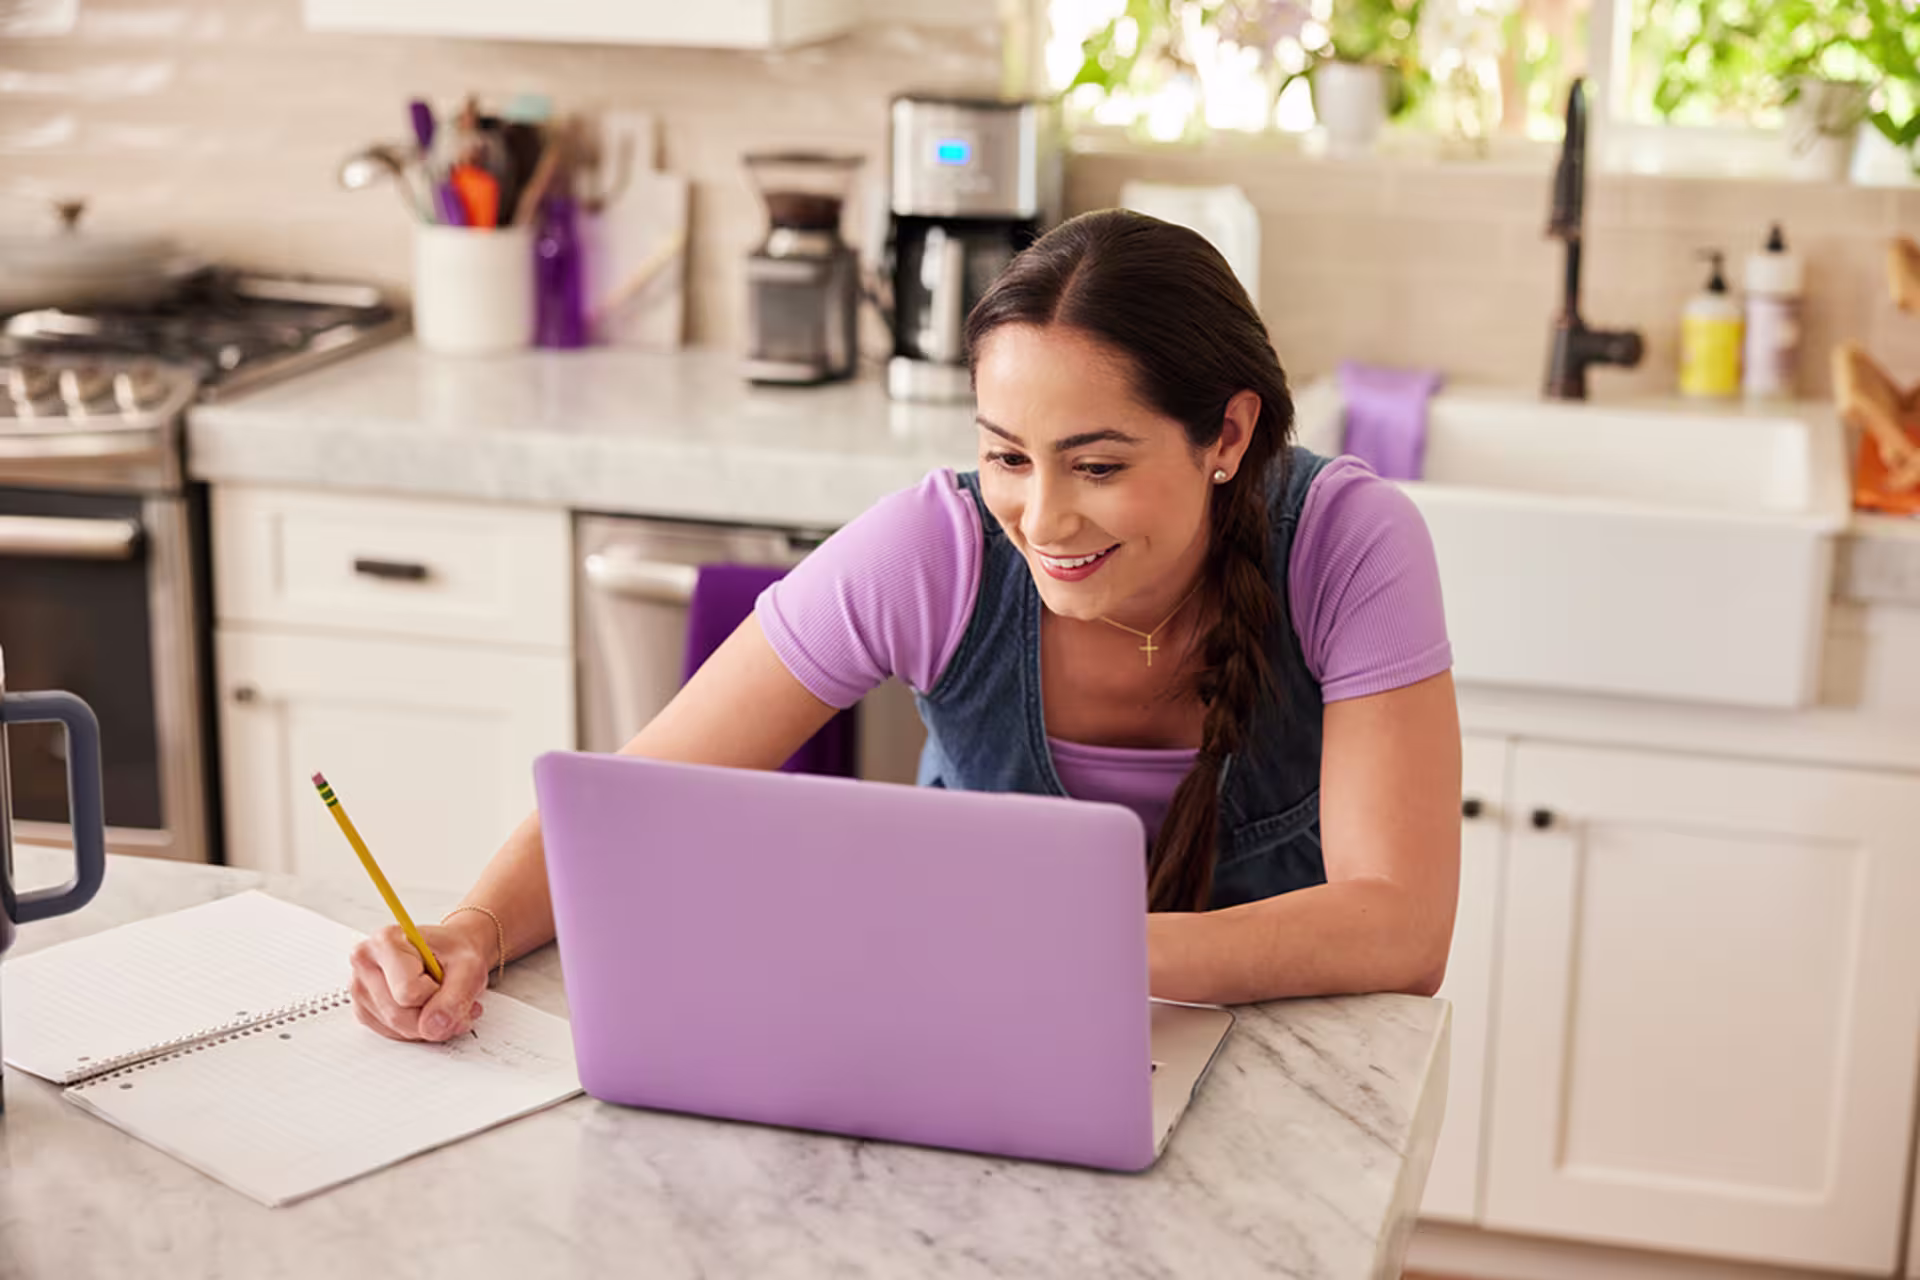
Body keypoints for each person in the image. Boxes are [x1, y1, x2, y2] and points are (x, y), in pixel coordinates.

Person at [350, 209, 1462, 1045]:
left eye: (1100, 464)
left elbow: (1399, 926)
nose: (1043, 515)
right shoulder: (937, 547)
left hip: (1282, 1058)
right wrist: (473, 927)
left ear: (1226, 434)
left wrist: (1061, 950)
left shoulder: (1346, 542)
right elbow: (631, 801)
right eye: (1007, 455)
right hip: (975, 1045)